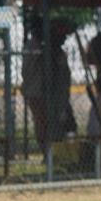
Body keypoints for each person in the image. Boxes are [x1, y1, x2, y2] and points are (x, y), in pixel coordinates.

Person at [21, 17, 77, 151]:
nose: (63, 39)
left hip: (54, 95)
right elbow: (29, 72)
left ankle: (60, 151)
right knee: (43, 123)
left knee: (64, 123)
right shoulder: (34, 46)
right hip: (38, 92)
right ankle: (48, 152)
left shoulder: (53, 50)